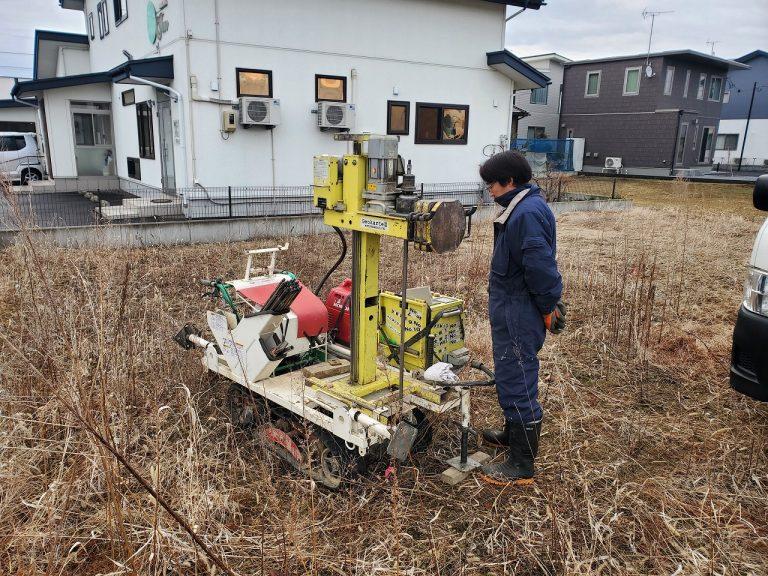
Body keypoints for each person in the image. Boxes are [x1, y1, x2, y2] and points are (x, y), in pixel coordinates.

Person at [478, 151, 566, 486]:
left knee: (518, 376)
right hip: (509, 307)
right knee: (509, 370)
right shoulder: (520, 207)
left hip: (519, 309)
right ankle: (511, 433)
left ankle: (521, 465)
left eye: (493, 183)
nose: (490, 190)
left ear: (510, 181)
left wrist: (548, 306)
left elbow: (541, 268)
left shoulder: (526, 213)